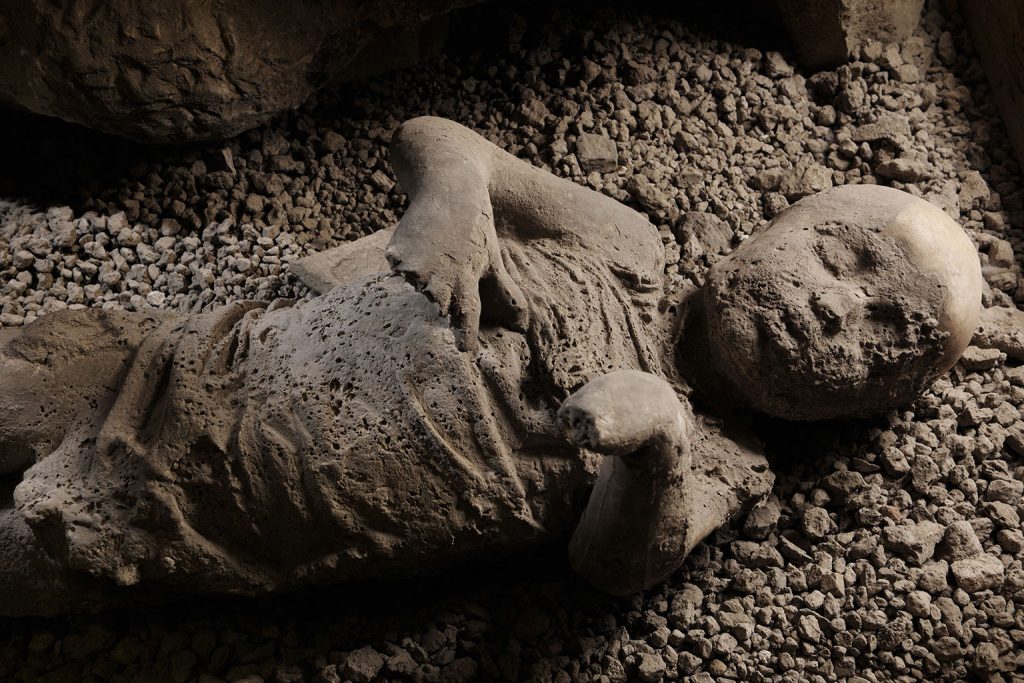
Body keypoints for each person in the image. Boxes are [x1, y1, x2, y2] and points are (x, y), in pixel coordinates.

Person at [0, 117, 980, 615]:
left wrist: (657, 445)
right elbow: (438, 140)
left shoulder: (721, 459)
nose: (833, 307)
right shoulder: (622, 246)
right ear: (773, 226)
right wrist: (456, 196)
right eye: (840, 256)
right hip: (178, 362)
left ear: (862, 410)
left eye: (883, 340)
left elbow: (612, 568)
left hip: (212, 522)